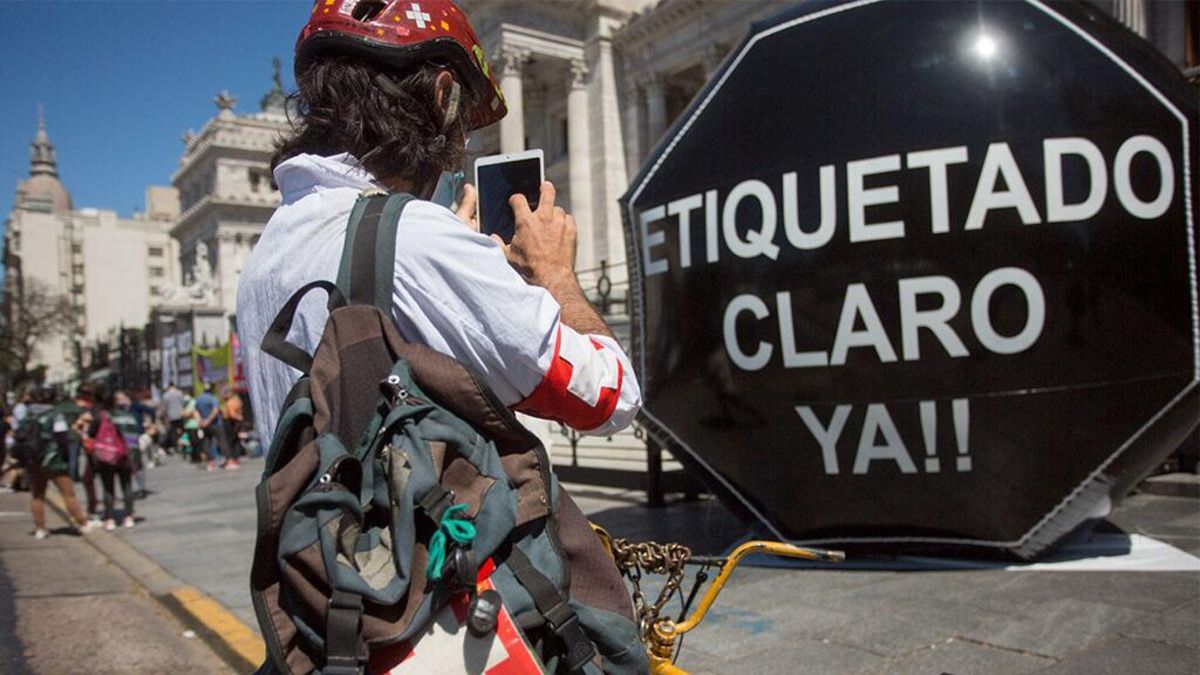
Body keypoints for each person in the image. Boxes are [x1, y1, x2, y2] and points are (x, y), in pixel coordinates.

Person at [236, 0, 640, 458]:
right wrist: (556, 276)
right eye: (464, 122)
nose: (462, 146)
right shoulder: (418, 241)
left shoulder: (269, 250)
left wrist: (453, 259)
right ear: (444, 95)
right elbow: (611, 397)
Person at [75, 386, 136, 531]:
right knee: (127, 485)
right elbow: (133, 436)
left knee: (108, 486)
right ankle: (129, 516)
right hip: (124, 455)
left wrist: (81, 432)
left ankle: (109, 519)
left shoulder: (98, 416)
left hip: (106, 456)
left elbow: (91, 436)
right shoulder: (125, 414)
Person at [193, 384, 223, 471]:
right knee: (222, 441)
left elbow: (195, 411)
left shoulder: (199, 398)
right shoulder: (212, 398)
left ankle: (211, 462)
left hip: (204, 425)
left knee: (206, 443)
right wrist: (208, 420)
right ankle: (228, 460)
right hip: (215, 424)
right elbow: (215, 410)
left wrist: (200, 421)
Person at [219, 387, 244, 470]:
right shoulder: (237, 400)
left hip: (230, 423)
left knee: (230, 441)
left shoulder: (230, 402)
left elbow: (231, 414)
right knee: (235, 440)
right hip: (234, 423)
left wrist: (237, 417)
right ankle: (235, 458)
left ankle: (232, 459)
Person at [159, 382, 185, 454]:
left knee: (173, 432)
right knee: (181, 431)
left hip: (171, 416)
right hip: (181, 415)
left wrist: (164, 417)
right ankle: (183, 444)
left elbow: (164, 408)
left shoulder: (166, 395)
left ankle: (175, 446)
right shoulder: (180, 393)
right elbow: (183, 404)